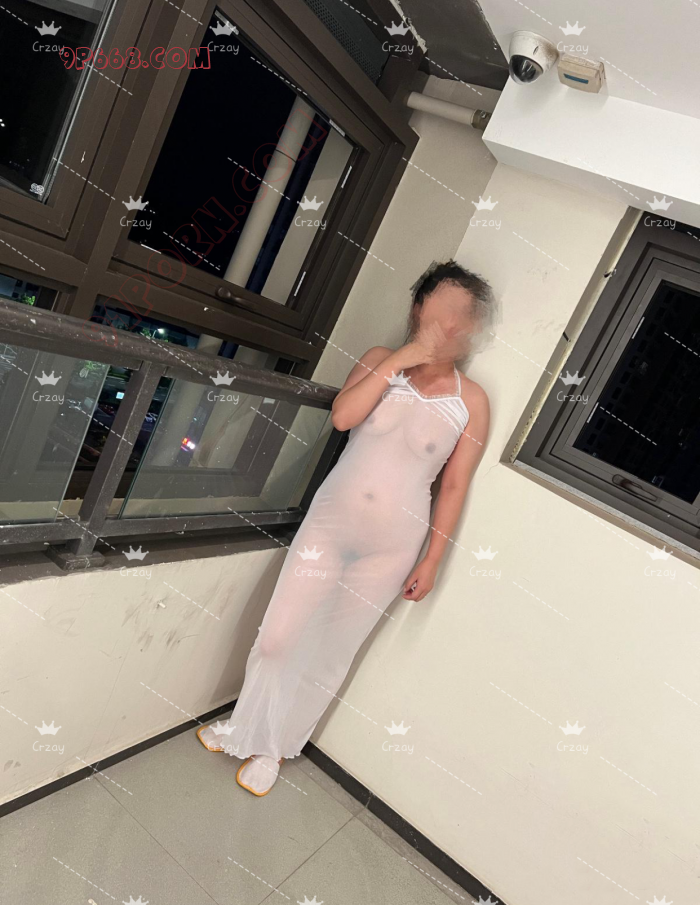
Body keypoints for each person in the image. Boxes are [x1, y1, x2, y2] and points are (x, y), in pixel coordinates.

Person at [197, 260, 494, 795]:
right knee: (278, 638)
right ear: (419, 308)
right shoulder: (381, 361)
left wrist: (432, 559)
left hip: (392, 549)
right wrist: (402, 358)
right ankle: (244, 725)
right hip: (330, 527)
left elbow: (453, 487)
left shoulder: (471, 400)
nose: (449, 323)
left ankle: (275, 748)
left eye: (462, 314)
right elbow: (342, 417)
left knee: (331, 650)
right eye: (442, 308)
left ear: (471, 326)